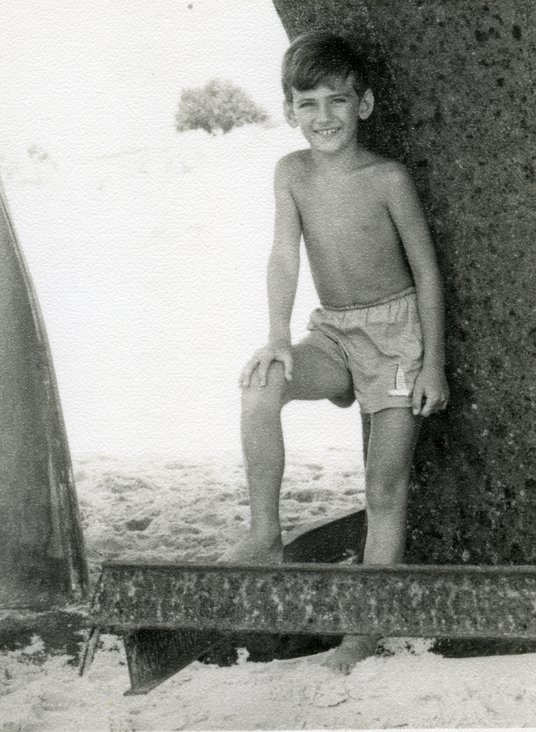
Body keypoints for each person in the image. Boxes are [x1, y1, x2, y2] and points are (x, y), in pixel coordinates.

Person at [222, 32, 449, 673]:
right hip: (333, 333)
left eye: (337, 100)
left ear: (365, 104)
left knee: (384, 484)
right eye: (308, 103)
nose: (323, 117)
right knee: (260, 387)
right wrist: (276, 336)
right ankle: (266, 537)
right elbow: (281, 256)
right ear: (290, 109)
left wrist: (432, 364)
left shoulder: (387, 179)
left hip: (398, 340)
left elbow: (428, 274)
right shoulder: (290, 173)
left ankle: (364, 630)